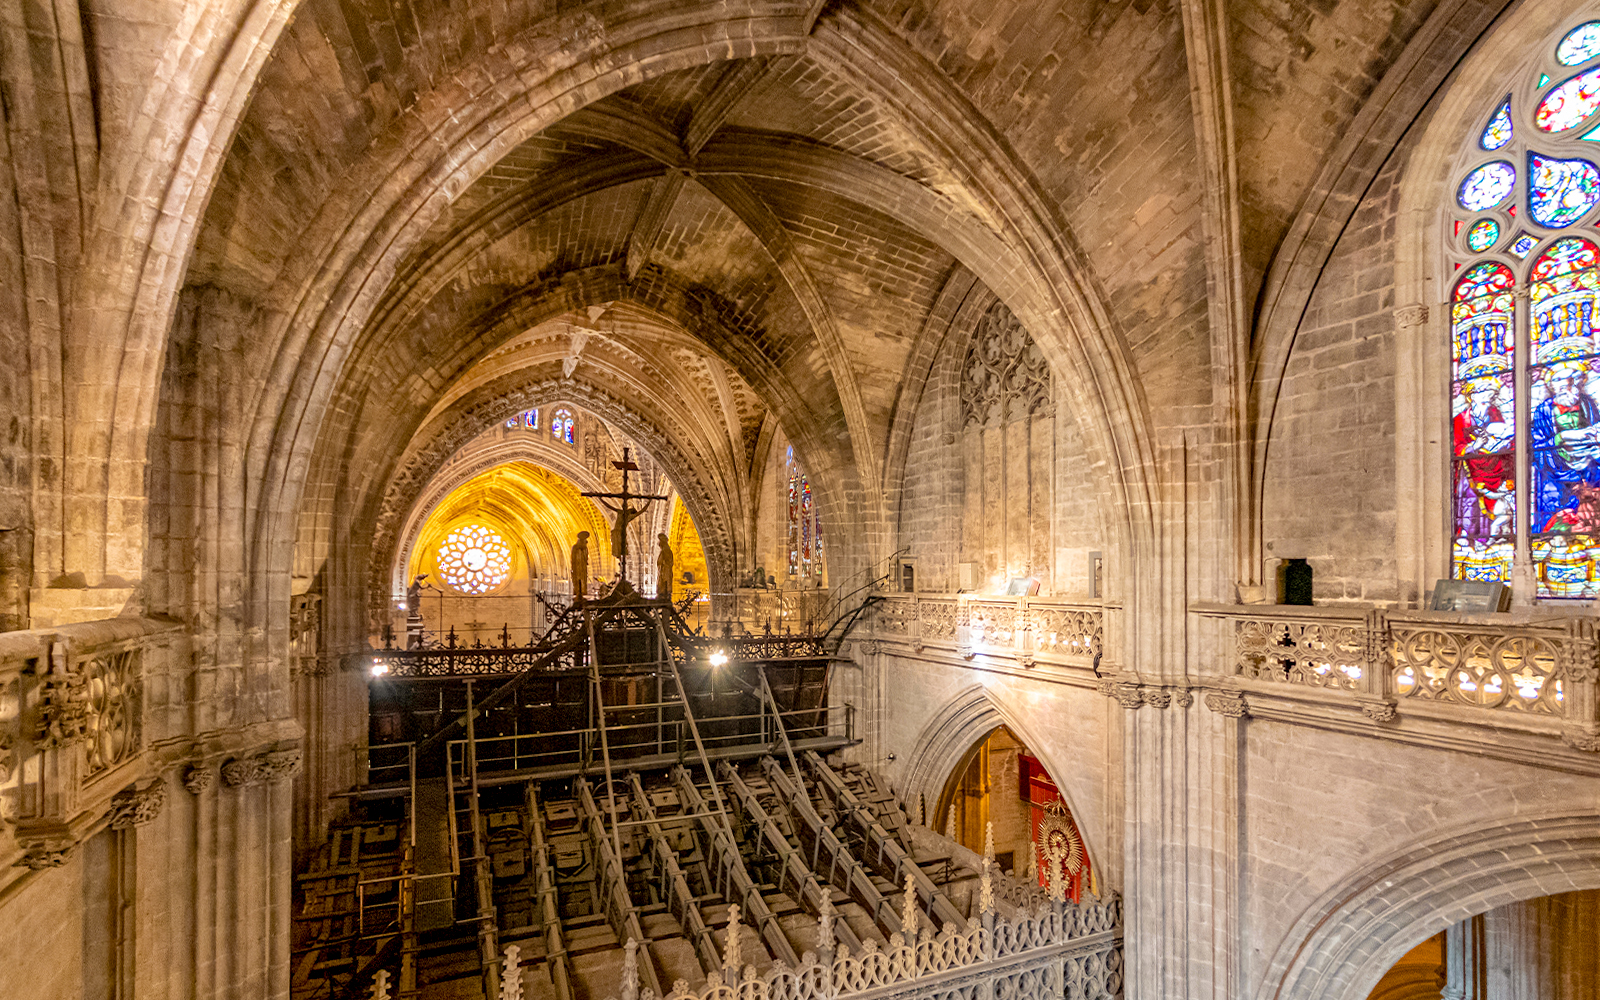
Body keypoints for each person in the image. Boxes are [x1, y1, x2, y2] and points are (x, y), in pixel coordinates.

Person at [1532, 365, 1600, 532]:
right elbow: (1537, 447)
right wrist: (1561, 438)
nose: (1564, 388)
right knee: (1558, 519)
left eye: (1568, 383)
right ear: (1551, 386)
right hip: (1557, 472)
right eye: (1558, 383)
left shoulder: (1587, 404)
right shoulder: (1543, 411)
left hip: (1589, 466)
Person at [570, 531, 590, 604]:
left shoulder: (585, 548)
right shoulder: (575, 548)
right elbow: (573, 558)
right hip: (577, 567)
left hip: (583, 567)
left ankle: (583, 591)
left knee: (583, 579)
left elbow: (586, 557)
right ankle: (578, 591)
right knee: (577, 579)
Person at [656, 533, 674, 601]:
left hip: (665, 572)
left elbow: (669, 562)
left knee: (665, 584)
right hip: (663, 571)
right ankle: (662, 594)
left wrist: (664, 563)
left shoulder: (666, 551)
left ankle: (665, 595)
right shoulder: (664, 551)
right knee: (662, 584)